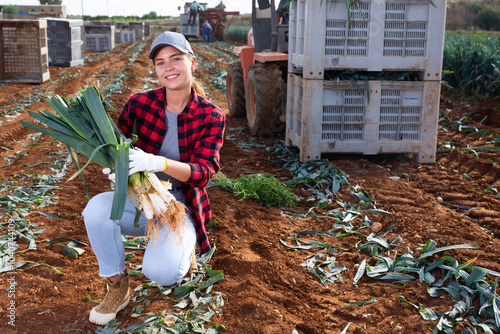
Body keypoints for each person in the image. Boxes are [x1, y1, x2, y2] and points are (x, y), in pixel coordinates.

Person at [82, 31, 225, 326]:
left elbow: (204, 172)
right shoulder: (139, 104)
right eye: (160, 62)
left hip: (178, 207)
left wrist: (157, 162)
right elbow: (114, 144)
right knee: (95, 210)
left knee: (161, 274)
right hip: (139, 200)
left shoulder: (211, 115)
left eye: (176, 59)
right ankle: (117, 285)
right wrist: (113, 166)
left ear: (192, 62)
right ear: (156, 69)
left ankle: (184, 250)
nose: (168, 67)